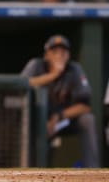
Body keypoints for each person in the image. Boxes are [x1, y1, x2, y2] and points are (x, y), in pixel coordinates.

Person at [21, 35, 99, 168]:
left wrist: (59, 117)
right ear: (46, 55)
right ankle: (27, 168)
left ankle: (92, 168)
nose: (60, 55)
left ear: (68, 55)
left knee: (87, 120)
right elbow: (21, 85)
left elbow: (85, 106)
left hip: (62, 121)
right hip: (36, 121)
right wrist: (54, 75)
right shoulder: (36, 65)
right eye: (55, 51)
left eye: (63, 52)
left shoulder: (74, 69)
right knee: (26, 126)